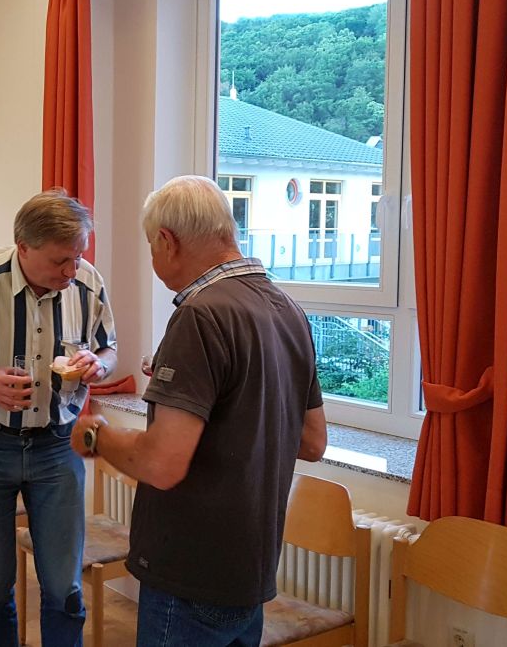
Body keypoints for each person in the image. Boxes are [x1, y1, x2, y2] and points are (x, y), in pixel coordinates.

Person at [70, 175, 328, 647]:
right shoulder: (289, 310)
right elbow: (312, 441)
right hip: (250, 569)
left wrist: (96, 436)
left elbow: (161, 464)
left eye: (151, 247)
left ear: (167, 241)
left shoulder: (199, 315)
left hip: (191, 572)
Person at [0, 189, 118, 647]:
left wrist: (99, 366)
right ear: (23, 247)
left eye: (78, 257)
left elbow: (109, 348)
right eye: (60, 261)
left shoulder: (88, 282)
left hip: (58, 446)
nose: (71, 271)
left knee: (64, 587)